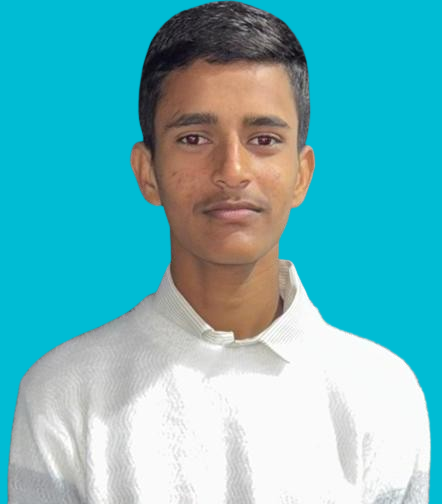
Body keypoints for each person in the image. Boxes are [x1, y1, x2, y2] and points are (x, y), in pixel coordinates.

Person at [8, 2, 430, 503]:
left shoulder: (383, 396)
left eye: (264, 139)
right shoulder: (63, 394)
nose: (232, 171)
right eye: (193, 138)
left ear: (302, 174)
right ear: (148, 172)